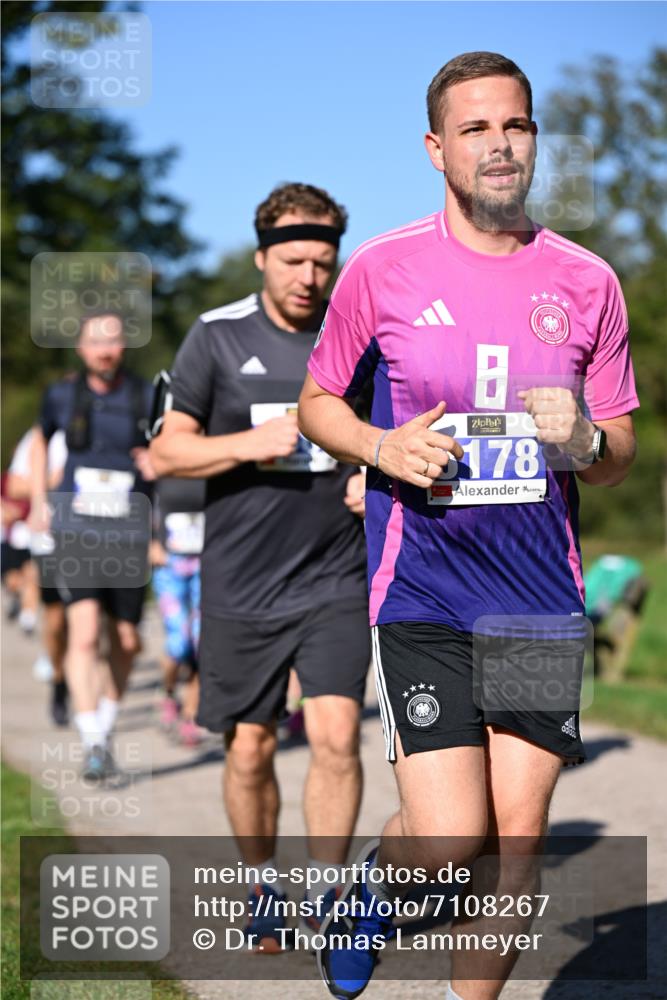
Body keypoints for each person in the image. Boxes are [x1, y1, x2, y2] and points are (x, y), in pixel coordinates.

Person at [298, 51, 638, 1000]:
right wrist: (378, 447)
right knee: (450, 840)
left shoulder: (586, 281)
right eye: (477, 128)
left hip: (536, 599)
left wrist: (582, 438)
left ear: (534, 140)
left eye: (516, 125)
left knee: (516, 846)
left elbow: (618, 457)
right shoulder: (383, 269)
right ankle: (372, 882)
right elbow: (315, 404)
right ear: (436, 147)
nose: (499, 144)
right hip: (425, 591)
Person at [149, 182, 370, 951]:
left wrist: (372, 472)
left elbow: (386, 430)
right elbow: (167, 449)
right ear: (261, 258)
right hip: (243, 579)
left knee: (338, 736)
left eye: (321, 260)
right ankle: (261, 885)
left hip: (337, 572)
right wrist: (246, 444)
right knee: (250, 747)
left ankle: (329, 893)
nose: (308, 276)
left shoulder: (358, 334)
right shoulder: (214, 336)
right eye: (292, 261)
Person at [31, 312, 154, 780]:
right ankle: (93, 742)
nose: (105, 350)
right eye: (95, 342)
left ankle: (106, 722)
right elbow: (42, 442)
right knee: (83, 634)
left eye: (113, 341)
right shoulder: (61, 394)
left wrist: (155, 458)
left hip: (128, 531)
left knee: (125, 640)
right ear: (81, 349)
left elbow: (172, 448)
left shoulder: (144, 396)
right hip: (76, 528)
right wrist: (42, 498)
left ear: (125, 346)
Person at [6, 426, 69, 724]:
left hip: (100, 541)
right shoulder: (38, 438)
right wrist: (53, 481)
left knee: (93, 623)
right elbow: (14, 487)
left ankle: (96, 717)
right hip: (50, 540)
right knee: (56, 619)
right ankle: (60, 680)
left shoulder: (111, 424)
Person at [150, 474, 206, 746]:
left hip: (206, 563)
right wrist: (151, 540)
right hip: (170, 564)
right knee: (179, 642)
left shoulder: (219, 456)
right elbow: (141, 497)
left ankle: (190, 716)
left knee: (200, 641)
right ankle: (168, 690)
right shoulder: (164, 457)